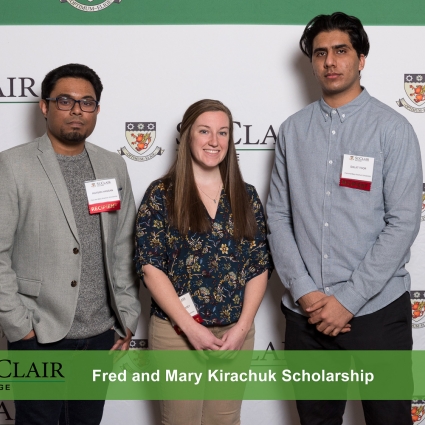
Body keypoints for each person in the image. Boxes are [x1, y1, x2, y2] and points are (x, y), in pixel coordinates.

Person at [267, 12, 422, 425]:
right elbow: (278, 215)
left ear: (361, 58)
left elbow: (404, 222)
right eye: (320, 53)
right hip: (307, 315)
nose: (330, 61)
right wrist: (304, 290)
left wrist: (348, 300)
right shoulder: (292, 131)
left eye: (341, 51)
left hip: (377, 312)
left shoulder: (393, 129)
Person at [0, 63, 141, 425]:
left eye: (86, 102)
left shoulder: (112, 165)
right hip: (39, 333)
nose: (77, 110)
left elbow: (124, 246)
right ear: (44, 106)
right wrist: (20, 327)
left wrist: (126, 316)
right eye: (65, 100)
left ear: (96, 109)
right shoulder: (12, 165)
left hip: (100, 335)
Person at [135, 99, 272, 425]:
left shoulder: (246, 195)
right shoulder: (161, 194)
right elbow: (150, 267)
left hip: (234, 335)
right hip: (177, 333)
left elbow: (259, 266)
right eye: (205, 131)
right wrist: (191, 329)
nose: (214, 141)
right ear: (187, 135)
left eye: (222, 132)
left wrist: (242, 329)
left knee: (225, 421)